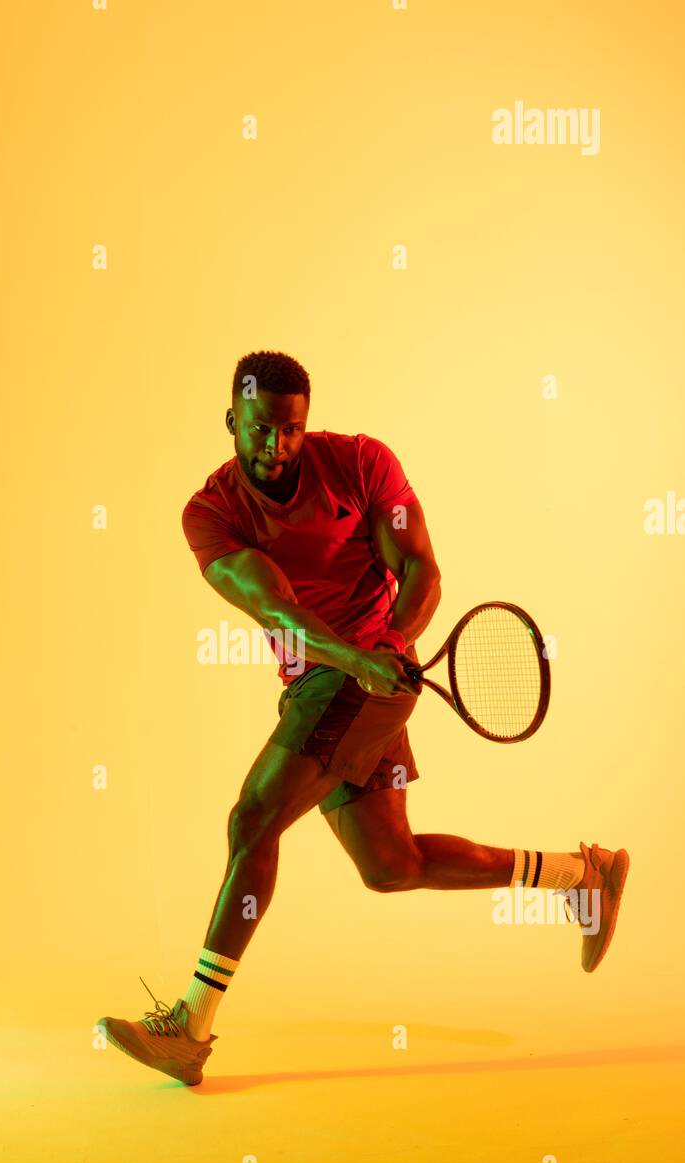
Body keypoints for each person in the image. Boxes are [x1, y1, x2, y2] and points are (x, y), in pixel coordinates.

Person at [97, 350, 628, 1085]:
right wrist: (353, 657)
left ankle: (188, 1025)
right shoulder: (210, 514)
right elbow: (274, 606)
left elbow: (421, 570)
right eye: (257, 428)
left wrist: (389, 642)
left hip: (375, 676)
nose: (274, 446)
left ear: (305, 425)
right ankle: (580, 874)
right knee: (391, 866)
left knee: (252, 820)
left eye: (288, 430)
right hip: (331, 678)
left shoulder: (360, 464)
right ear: (231, 421)